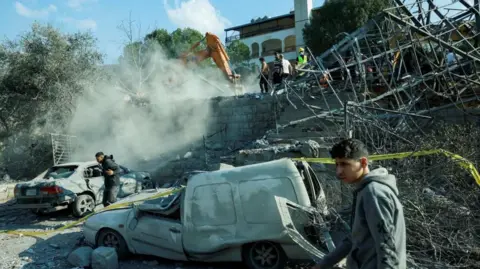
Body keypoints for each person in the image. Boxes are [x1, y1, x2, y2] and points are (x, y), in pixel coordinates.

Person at [312, 138, 406, 269]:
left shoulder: (373, 193)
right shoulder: (365, 191)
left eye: (344, 164)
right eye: (337, 164)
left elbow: (387, 247)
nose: (339, 171)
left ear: (363, 162)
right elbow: (355, 238)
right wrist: (323, 264)